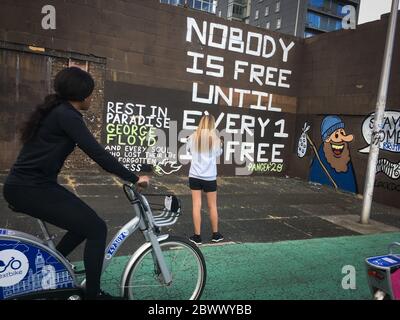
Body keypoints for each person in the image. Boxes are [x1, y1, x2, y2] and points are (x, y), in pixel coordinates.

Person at [2, 67, 149, 300]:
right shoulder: (67, 116)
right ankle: (92, 295)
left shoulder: (57, 111)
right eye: (91, 94)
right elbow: (98, 154)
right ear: (82, 96)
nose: (91, 98)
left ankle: (51, 266)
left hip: (29, 186)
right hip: (31, 188)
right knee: (97, 228)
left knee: (84, 225)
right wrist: (134, 177)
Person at [186, 114, 224, 245]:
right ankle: (216, 235)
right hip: (209, 177)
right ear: (212, 125)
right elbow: (218, 153)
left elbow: (189, 151)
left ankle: (197, 237)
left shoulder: (192, 137)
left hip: (195, 176)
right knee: (212, 206)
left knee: (196, 205)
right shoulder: (217, 140)